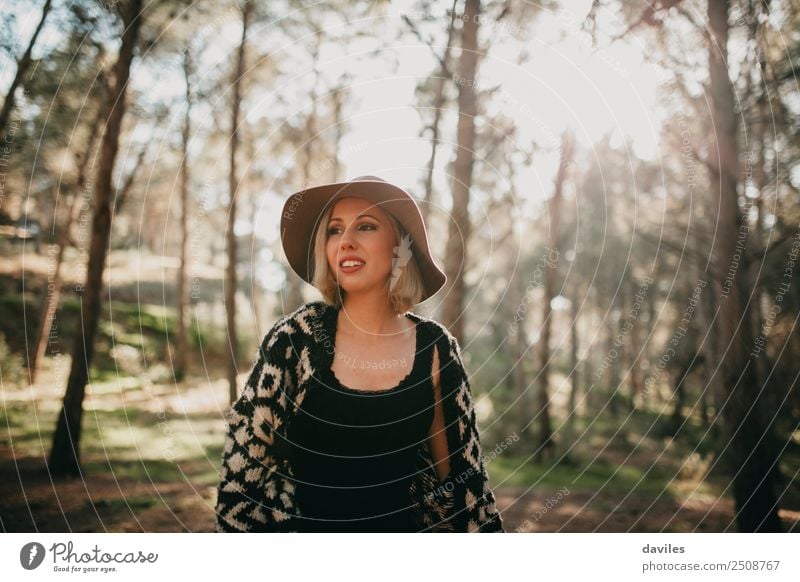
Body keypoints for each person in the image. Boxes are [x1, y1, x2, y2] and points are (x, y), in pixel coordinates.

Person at [215, 175, 504, 532]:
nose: (346, 242)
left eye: (365, 226)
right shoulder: (295, 340)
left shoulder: (435, 348)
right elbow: (241, 481)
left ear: (401, 244)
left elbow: (463, 489)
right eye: (335, 231)